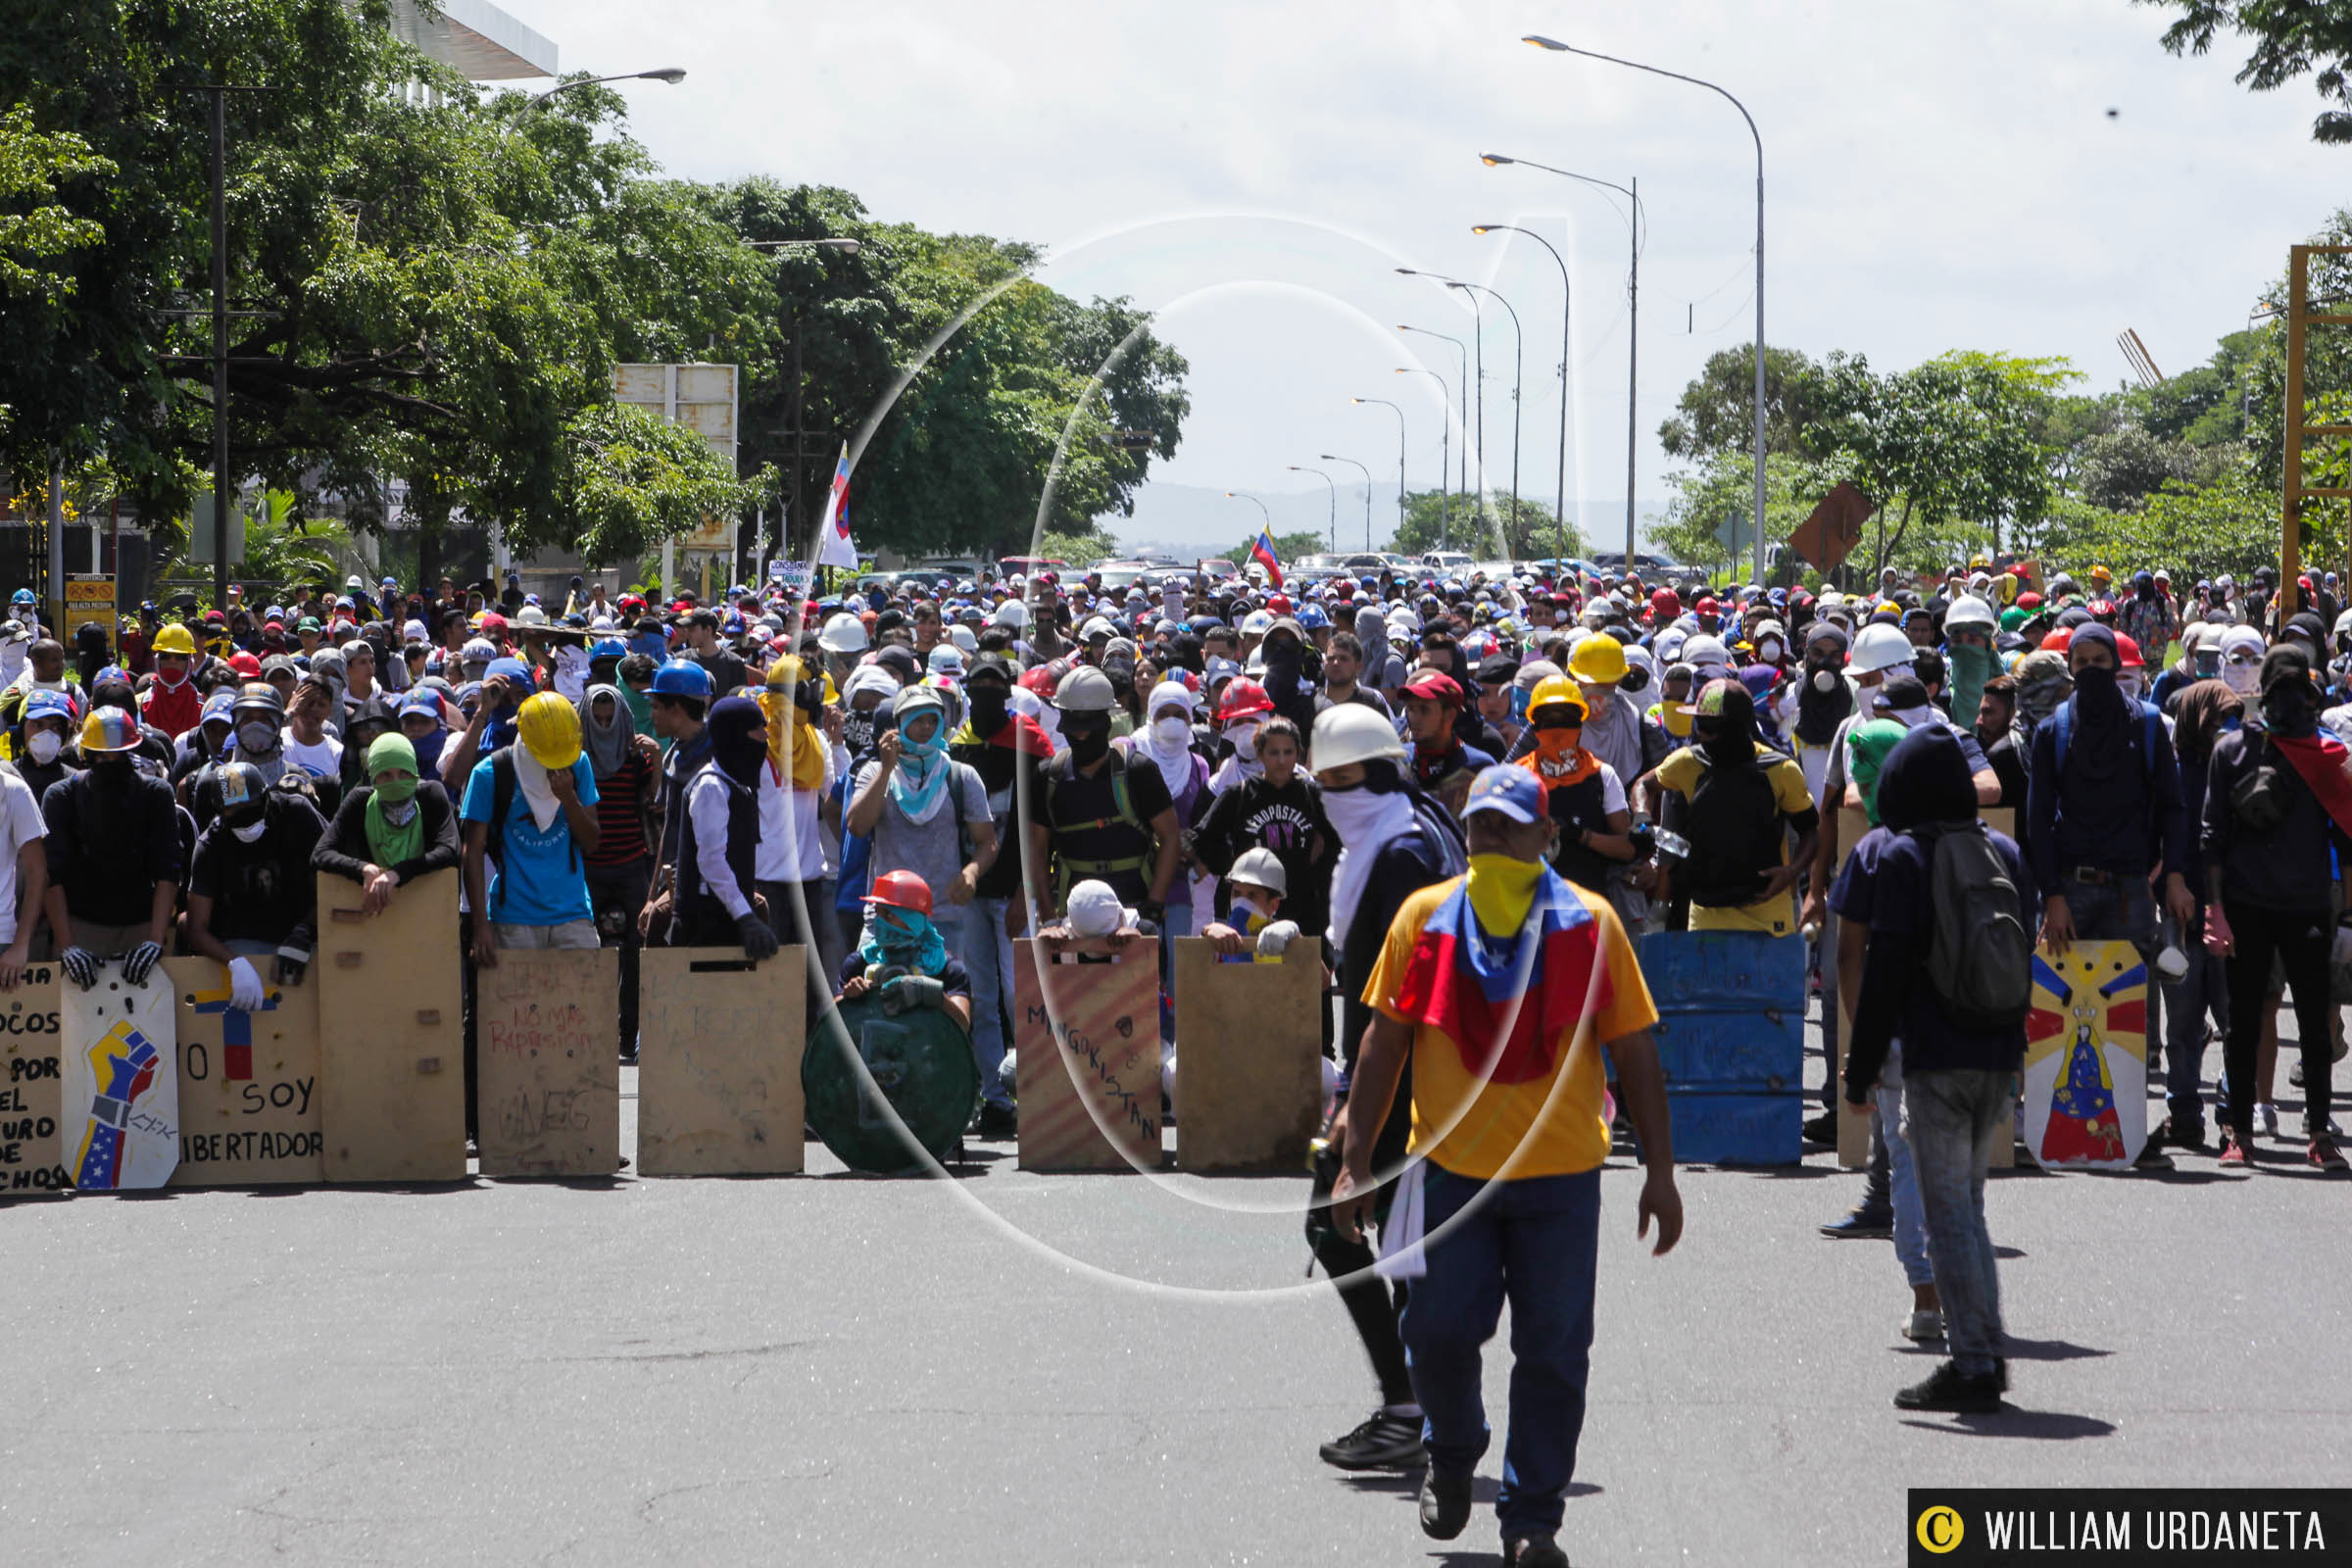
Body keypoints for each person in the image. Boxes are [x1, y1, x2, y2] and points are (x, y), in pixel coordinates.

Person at [1333, 764, 1679, 1567]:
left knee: (1554, 1353)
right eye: (1480, 824)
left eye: (1508, 826)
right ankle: (1452, 1454)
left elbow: (1634, 1052)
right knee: (1436, 1333)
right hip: (1446, 1174)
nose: (1490, 837)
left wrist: (1661, 1173)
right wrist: (1356, 1163)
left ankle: (1532, 1520)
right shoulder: (1423, 918)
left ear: (1545, 837)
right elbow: (1383, 1047)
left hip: (1561, 1182)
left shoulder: (1592, 924)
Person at [1840, 725, 2034, 1412]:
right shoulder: (2004, 850)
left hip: (1934, 1058)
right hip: (1995, 1052)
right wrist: (2014, 1057)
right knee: (1969, 1211)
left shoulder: (1901, 856)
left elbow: (1886, 971)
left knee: (1947, 1216)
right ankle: (1984, 1348)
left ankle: (1974, 1364)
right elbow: (2018, 957)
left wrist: (1859, 1074)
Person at [1306, 702, 1465, 1475]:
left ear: (1370, 775)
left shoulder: (1401, 852)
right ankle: (1420, 1409)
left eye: (1338, 779)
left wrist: (1354, 1121)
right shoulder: (1409, 819)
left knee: (1339, 1226)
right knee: (1400, 1246)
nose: (1327, 793)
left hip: (1407, 1079)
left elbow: (1400, 1005)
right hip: (1403, 1075)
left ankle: (1411, 1409)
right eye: (1321, 781)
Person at [2201, 644, 2352, 1170]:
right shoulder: (2231, 752)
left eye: (2299, 689)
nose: (2291, 699)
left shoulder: (2327, 755)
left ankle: (2318, 1132)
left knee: (2314, 1023)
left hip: (2309, 905)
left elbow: (2348, 839)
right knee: (2242, 1021)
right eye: (2281, 687)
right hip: (2246, 905)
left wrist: (2349, 916)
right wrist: (2214, 910)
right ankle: (2239, 1130)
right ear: (2264, 692)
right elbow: (2211, 838)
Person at [2027, 624, 2193, 979]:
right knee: (2068, 1011)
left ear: (2115, 664)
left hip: (2131, 892)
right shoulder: (2052, 732)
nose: (2091, 668)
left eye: (2100, 660)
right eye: (2081, 661)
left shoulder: (2146, 726)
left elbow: (2172, 808)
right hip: (2070, 893)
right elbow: (2037, 821)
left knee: (2129, 1017)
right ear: (2070, 667)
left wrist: (2175, 878)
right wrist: (2052, 897)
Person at [1650, 679, 1819, 938]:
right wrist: (1640, 818)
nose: (1702, 733)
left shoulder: (1780, 770)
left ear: (1738, 726)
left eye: (1709, 726)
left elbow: (1811, 830)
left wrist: (1791, 872)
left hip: (1769, 920)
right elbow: (1645, 785)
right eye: (1699, 724)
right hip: (1705, 919)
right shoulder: (1686, 763)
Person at [42, 708, 180, 991]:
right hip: (80, 926)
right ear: (88, 756)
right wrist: (68, 946)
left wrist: (155, 941)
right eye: (102, 757)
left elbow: (169, 868)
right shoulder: (61, 796)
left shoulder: (156, 793)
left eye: (117, 756)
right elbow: (50, 874)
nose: (110, 764)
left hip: (143, 925)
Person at [462, 690, 602, 963]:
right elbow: (473, 852)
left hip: (572, 914)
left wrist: (569, 799)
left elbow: (591, 842)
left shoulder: (578, 764)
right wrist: (481, 927)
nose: (556, 761)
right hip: (514, 919)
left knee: (581, 1002)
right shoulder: (489, 774)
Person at [184, 760, 325, 1004]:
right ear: (218, 810)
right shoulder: (211, 845)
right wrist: (234, 963)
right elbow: (196, 927)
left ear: (267, 798)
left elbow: (331, 877)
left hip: (306, 934)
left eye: (250, 805)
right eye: (232, 809)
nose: (244, 816)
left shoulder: (296, 814)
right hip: (244, 943)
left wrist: (306, 931)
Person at [672, 695, 780, 959]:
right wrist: (745, 916)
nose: (764, 739)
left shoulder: (738, 785)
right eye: (757, 731)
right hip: (704, 927)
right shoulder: (711, 788)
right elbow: (711, 861)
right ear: (734, 736)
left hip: (727, 921)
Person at [313, 733, 463, 911]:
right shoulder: (359, 802)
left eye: (404, 773)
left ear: (414, 771)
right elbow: (320, 854)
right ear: (373, 776)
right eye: (385, 775)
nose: (396, 782)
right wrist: (363, 869)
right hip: (372, 914)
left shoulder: (431, 795)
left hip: (427, 911)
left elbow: (450, 849)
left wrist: (398, 873)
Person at [836, 869, 974, 1035]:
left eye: (888, 915)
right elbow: (829, 1024)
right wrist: (847, 998)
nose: (879, 923)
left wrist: (930, 992)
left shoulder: (949, 968)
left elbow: (962, 1025)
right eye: (877, 913)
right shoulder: (858, 963)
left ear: (913, 920)